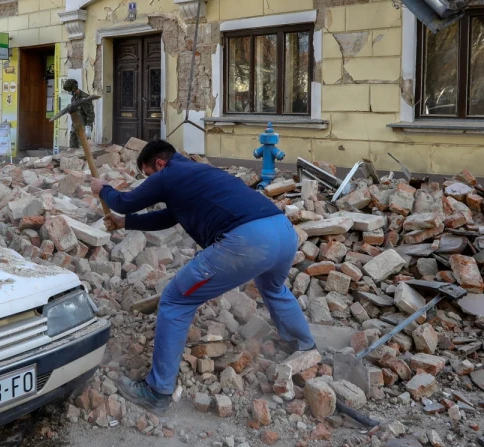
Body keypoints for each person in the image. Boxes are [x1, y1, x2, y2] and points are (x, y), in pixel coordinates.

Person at [91, 139, 316, 414]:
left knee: (175, 300)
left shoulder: (169, 174)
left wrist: (103, 189)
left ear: (159, 164)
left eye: (147, 174)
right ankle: (304, 346)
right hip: (282, 230)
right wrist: (125, 223)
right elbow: (169, 217)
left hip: (248, 241)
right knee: (273, 287)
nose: (149, 180)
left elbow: (124, 201)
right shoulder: (197, 173)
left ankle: (157, 391)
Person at [63, 78, 94, 149]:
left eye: (69, 90)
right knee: (72, 147)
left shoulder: (85, 98)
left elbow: (90, 114)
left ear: (73, 88)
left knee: (82, 149)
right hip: (75, 125)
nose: (69, 92)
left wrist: (88, 128)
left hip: (83, 126)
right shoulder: (73, 98)